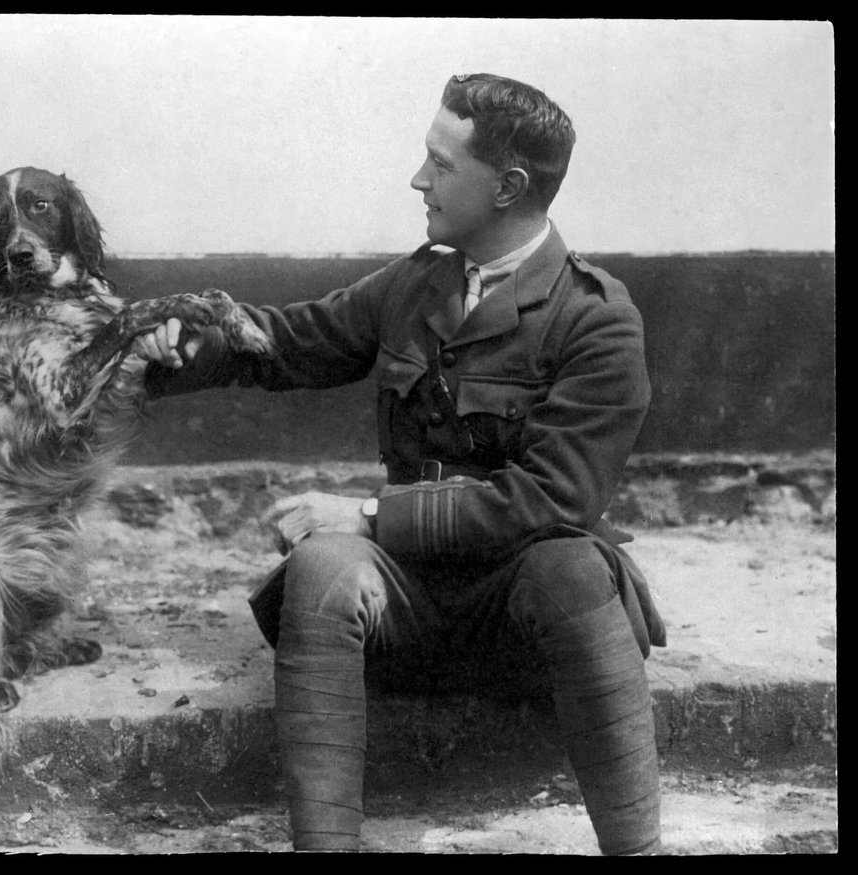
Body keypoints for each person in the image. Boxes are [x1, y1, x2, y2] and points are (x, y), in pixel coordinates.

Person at [133, 73, 666, 855]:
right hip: (410, 603)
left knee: (574, 568)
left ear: (509, 186)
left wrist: (371, 514)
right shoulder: (419, 283)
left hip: (520, 616)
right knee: (321, 567)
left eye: (442, 164)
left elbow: (552, 499)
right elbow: (288, 340)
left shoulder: (597, 318)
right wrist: (167, 343)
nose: (419, 179)